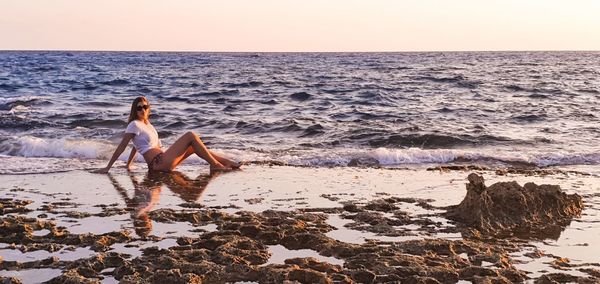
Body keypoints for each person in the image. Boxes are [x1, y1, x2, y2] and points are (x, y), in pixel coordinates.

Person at [93, 96, 240, 174]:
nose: (142, 110)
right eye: (139, 108)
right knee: (190, 135)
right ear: (134, 110)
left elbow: (137, 146)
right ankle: (215, 165)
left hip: (164, 162)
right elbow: (122, 147)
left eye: (145, 107)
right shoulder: (134, 124)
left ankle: (228, 162)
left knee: (194, 146)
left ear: (148, 109)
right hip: (158, 163)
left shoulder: (148, 126)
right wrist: (108, 167)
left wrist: (128, 165)